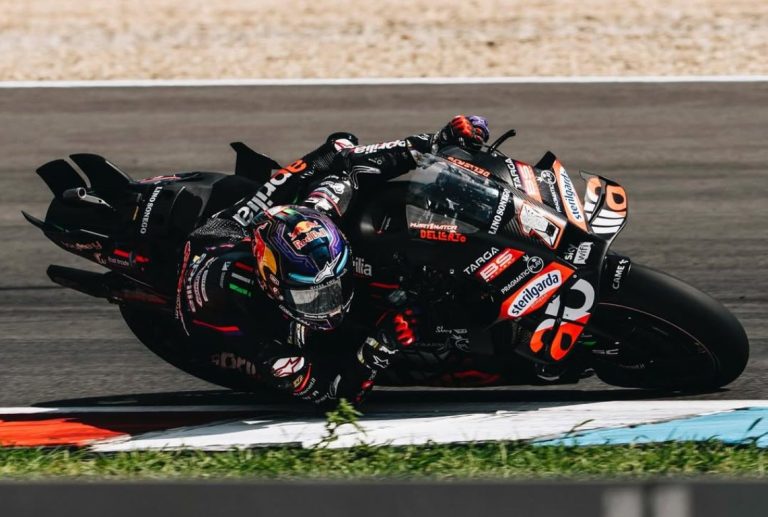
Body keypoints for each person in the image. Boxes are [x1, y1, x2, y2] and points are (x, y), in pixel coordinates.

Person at [174, 115, 490, 405]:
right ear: (272, 284)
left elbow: (353, 165)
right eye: (312, 296)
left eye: (336, 285)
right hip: (213, 258)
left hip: (268, 227)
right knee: (315, 356)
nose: (332, 304)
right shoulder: (251, 329)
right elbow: (334, 395)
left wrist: (438, 140)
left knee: (336, 154)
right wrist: (379, 347)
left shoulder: (323, 207)